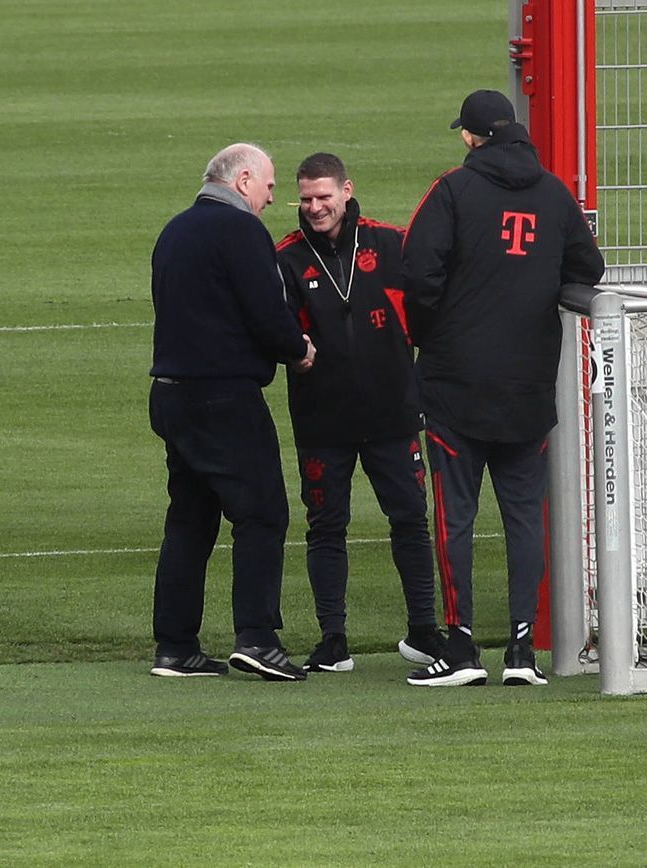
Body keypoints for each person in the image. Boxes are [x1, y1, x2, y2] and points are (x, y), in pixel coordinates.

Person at [402, 90, 606, 687]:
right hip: (528, 385)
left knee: (454, 518)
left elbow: (417, 274)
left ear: (470, 137)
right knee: (524, 518)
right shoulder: (553, 192)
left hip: (455, 385)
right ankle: (522, 651)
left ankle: (461, 647)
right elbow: (587, 271)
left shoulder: (453, 191)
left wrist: (434, 334)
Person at [147, 142, 317, 682]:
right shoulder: (241, 231)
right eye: (268, 187)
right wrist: (299, 349)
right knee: (262, 512)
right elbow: (267, 313)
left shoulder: (174, 230)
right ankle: (258, 638)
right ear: (243, 180)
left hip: (172, 393)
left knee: (190, 519)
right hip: (223, 396)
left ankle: (175, 645)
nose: (272, 199)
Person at [274, 153, 446, 673]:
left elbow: (428, 308)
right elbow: (277, 329)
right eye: (305, 199)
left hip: (392, 413)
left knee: (410, 520)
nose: (315, 207)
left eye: (324, 196)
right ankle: (333, 639)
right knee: (326, 525)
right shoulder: (287, 257)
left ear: (347, 190)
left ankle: (423, 630)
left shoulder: (390, 243)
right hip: (321, 419)